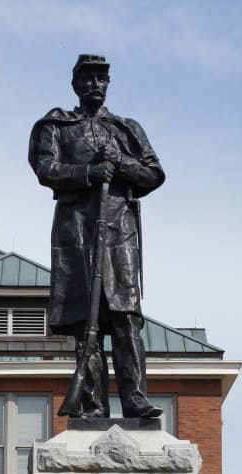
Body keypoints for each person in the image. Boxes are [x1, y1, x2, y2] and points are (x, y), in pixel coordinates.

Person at [29, 54, 165, 419]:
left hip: (119, 231)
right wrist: (90, 172)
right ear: (75, 84)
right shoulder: (56, 125)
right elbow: (45, 168)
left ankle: (135, 398)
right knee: (85, 324)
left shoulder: (126, 130)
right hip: (76, 232)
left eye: (101, 79)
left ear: (108, 84)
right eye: (87, 78)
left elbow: (153, 174)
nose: (94, 85)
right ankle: (94, 404)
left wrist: (119, 163)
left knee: (125, 317)